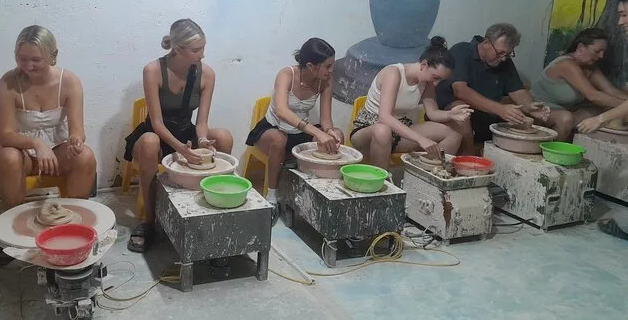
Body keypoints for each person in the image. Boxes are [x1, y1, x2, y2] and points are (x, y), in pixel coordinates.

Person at [124, 19, 233, 253]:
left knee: (223, 137)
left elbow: (201, 123)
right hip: (156, 133)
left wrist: (202, 141)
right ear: (177, 49)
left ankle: (212, 206)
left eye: (203, 48)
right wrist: (180, 148)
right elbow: (157, 123)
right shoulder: (153, 71)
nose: (202, 55)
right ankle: (149, 221)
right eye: (196, 50)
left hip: (186, 131)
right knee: (150, 143)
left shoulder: (207, 74)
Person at [0, 25, 96, 266]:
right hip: (22, 151)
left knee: (85, 156)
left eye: (35, 60)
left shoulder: (68, 81)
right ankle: (10, 235)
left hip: (56, 149)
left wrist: (76, 140)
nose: (28, 66)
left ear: (52, 56)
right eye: (22, 59)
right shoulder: (8, 82)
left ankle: (75, 226)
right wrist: (36, 143)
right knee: (8, 157)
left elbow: (77, 130)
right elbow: (5, 135)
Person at [246, 38, 344, 210]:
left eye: (332, 65)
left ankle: (323, 193)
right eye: (327, 66)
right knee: (279, 139)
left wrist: (328, 131)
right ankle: (272, 197)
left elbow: (325, 120)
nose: (331, 70)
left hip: (299, 133)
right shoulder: (287, 75)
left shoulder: (326, 81)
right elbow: (282, 111)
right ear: (311, 66)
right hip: (273, 128)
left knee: (337, 135)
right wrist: (317, 131)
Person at [350, 37, 472, 169]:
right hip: (369, 128)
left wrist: (450, 114)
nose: (436, 83)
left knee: (453, 134)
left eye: (440, 80)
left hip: (399, 130)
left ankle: (431, 174)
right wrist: (420, 139)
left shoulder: (428, 82)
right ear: (424, 65)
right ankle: (382, 178)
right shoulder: (394, 73)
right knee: (383, 130)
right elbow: (384, 117)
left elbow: (433, 113)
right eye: (435, 77)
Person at [436, 23, 552, 155]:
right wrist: (500, 109)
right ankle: (469, 159)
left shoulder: (504, 61)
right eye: (500, 53)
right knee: (462, 108)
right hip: (451, 113)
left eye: (508, 54)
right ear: (486, 43)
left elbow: (517, 90)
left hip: (486, 114)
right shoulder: (462, 51)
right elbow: (460, 91)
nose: (503, 58)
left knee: (521, 113)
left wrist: (529, 106)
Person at [530, 28, 628, 139]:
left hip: (567, 110)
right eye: (597, 51)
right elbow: (593, 96)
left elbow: (610, 90)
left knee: (603, 112)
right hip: (540, 111)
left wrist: (625, 104)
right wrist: (624, 106)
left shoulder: (590, 67)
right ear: (581, 47)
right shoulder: (566, 64)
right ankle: (554, 148)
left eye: (603, 52)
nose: (601, 56)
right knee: (566, 118)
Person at [577, 0, 628, 134]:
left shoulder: (593, 69)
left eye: (624, 15)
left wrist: (600, 119)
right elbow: (595, 95)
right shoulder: (567, 63)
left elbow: (602, 93)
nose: (620, 22)